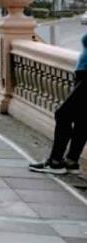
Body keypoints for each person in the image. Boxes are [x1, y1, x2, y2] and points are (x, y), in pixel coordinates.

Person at [30, 32, 87, 174]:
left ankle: (56, 162)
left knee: (63, 114)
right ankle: (71, 161)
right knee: (82, 120)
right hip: (83, 75)